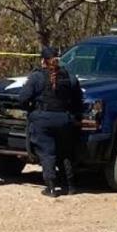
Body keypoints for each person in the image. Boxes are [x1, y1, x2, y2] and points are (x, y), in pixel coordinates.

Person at [17, 47, 83, 197]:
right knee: (64, 153)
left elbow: (23, 99)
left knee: (47, 153)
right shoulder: (70, 77)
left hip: (43, 120)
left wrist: (32, 111)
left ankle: (51, 187)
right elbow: (78, 101)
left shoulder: (36, 77)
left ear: (43, 61)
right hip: (64, 119)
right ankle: (70, 185)